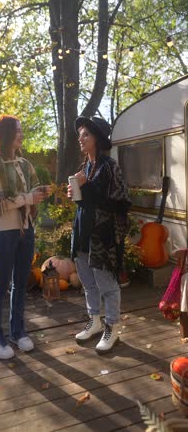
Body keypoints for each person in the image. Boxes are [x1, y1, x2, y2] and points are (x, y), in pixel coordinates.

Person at [0, 114, 51, 360]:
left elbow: (28, 195)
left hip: (26, 230)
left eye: (21, 130)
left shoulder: (25, 165)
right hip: (4, 233)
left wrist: (39, 193)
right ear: (5, 134)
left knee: (21, 283)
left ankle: (18, 332)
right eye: (17, 131)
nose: (21, 134)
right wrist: (27, 198)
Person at [68, 116, 131, 354]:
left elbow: (120, 203)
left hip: (103, 237)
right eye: (80, 135)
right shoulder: (85, 168)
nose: (81, 139)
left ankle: (112, 327)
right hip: (84, 233)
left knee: (107, 285)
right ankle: (94, 321)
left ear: (97, 139)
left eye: (86, 134)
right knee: (88, 283)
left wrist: (85, 188)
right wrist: (75, 193)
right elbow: (87, 202)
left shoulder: (109, 167)